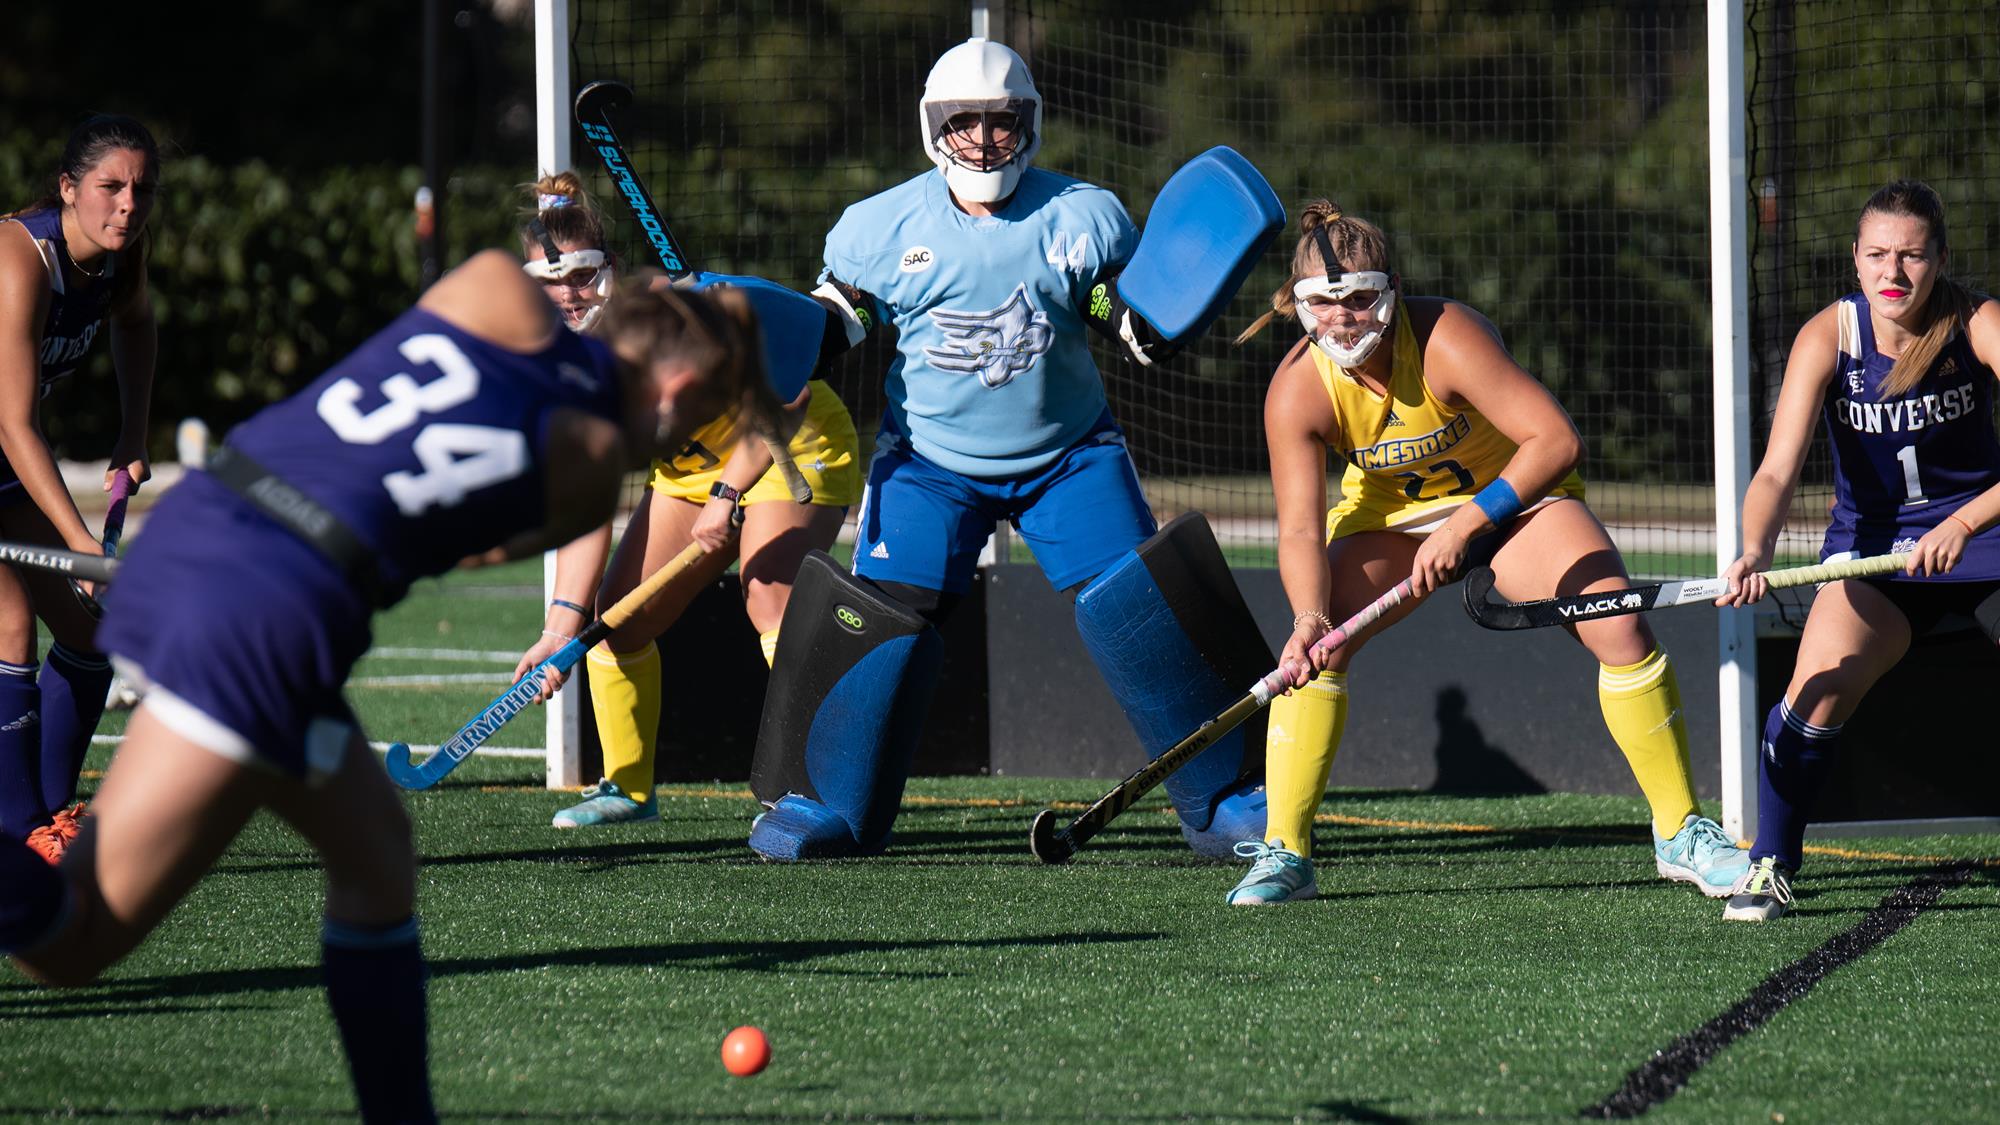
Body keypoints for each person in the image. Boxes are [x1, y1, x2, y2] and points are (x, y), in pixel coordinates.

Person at [0, 251, 772, 1122]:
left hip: (207, 520)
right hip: (265, 615)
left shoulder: (493, 285)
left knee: (374, 850)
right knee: (72, 942)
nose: (686, 444)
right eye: (701, 420)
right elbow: (473, 540)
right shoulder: (590, 464)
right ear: (672, 390)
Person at [743, 37, 1273, 862]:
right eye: (967, 122)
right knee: (883, 618)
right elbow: (833, 325)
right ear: (935, 126)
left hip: (1069, 455)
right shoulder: (877, 227)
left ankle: (1228, 796)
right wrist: (763, 334)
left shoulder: (1083, 215)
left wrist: (1157, 322)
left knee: (1145, 606)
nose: (986, 140)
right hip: (928, 463)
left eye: (1001, 121)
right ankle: (824, 801)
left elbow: (1119, 315)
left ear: (1028, 124)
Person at [1226, 200, 1749, 905]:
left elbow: (1556, 440)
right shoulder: (1295, 390)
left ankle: (1681, 834)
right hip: (1392, 526)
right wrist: (1308, 616)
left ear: (1394, 290)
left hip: (1516, 505)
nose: (1343, 319)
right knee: (1316, 651)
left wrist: (1468, 522)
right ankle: (1286, 852)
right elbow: (1297, 530)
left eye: (1359, 298)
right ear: (1299, 304)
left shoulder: (1447, 338)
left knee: (1619, 624)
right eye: (1324, 303)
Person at [506, 171, 861, 827]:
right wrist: (560, 630)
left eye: (579, 276)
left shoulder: (676, 316)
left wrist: (729, 495)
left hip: (788, 441)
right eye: (548, 283)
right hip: (693, 469)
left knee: (769, 591)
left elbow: (786, 403)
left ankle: (821, 786)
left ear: (609, 268)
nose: (567, 296)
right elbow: (588, 508)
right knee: (616, 622)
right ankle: (627, 789)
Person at [1714, 180, 2000, 922]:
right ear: (1855, 259)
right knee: (1812, 697)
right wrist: (1752, 548)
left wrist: (1965, 524)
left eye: (1910, 256)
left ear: (1939, 259)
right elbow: (1777, 470)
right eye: (1877, 255)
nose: (1893, 273)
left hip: (1986, 533)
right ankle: (1770, 859)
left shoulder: (1977, 322)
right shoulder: (1829, 337)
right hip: (1877, 553)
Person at [0, 114, 161, 864]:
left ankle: (45, 817)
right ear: (68, 188)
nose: (128, 204)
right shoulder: (19, 257)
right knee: (8, 622)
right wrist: (77, 541)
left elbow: (135, 323)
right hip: (7, 443)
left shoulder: (121, 258)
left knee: (92, 635)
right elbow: (15, 425)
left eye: (141, 189)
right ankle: (17, 832)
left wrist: (133, 433)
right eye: (110, 186)